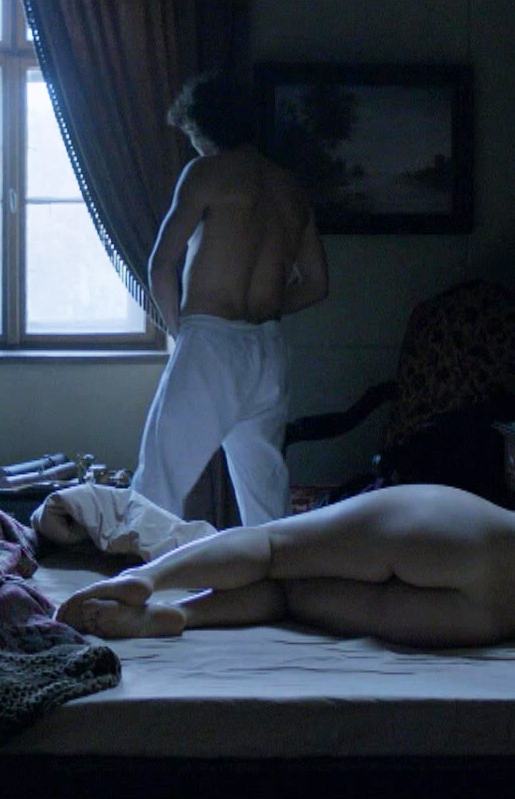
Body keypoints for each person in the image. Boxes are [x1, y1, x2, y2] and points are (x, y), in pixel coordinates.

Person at [55, 470, 515, 649]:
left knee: (275, 549)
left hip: (465, 535)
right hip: (469, 622)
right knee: (292, 597)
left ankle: (144, 578)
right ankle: (179, 618)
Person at [130, 71, 330, 528]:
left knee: (157, 486)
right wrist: (268, 304)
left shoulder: (207, 173)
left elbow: (161, 265)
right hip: (267, 349)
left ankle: (144, 576)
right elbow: (317, 285)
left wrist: (182, 334)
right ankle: (278, 575)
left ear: (201, 128)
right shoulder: (290, 188)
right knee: (266, 504)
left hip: (211, 342)